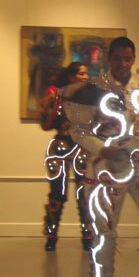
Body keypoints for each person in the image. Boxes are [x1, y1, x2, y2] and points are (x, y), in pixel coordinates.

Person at [64, 36, 139, 277]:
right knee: (103, 228)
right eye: (117, 58)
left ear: (133, 59)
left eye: (127, 58)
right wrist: (102, 149)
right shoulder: (94, 89)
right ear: (108, 59)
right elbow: (78, 130)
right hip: (108, 168)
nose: (123, 64)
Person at [39, 62, 93, 252]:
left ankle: (88, 235)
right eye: (81, 73)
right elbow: (45, 122)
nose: (85, 77)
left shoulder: (92, 96)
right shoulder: (57, 93)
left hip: (83, 147)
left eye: (86, 73)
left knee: (84, 193)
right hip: (61, 145)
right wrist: (56, 100)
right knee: (57, 193)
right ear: (71, 76)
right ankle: (51, 235)